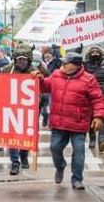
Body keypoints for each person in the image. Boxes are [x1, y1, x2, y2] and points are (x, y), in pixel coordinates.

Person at [34, 51, 104, 189]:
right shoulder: (56, 75)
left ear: (77, 65)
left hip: (79, 123)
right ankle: (60, 166)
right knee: (55, 148)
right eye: (64, 62)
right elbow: (45, 87)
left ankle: (77, 179)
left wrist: (98, 116)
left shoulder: (89, 80)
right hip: (59, 123)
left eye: (67, 63)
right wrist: (40, 80)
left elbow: (98, 99)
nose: (63, 65)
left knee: (79, 152)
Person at [2, 43, 34, 175]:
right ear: (14, 59)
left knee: (27, 133)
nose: (21, 62)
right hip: (11, 108)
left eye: (24, 59)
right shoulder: (6, 70)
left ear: (29, 60)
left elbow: (47, 80)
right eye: (19, 59)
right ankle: (15, 162)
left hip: (29, 109)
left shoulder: (35, 70)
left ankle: (24, 155)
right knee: (12, 136)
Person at [84, 45, 104, 151]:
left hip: (103, 94)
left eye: (98, 52)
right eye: (93, 52)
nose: (95, 54)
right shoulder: (85, 66)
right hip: (90, 95)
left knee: (102, 117)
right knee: (91, 117)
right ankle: (92, 138)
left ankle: (101, 140)